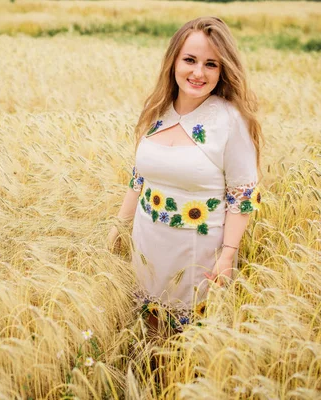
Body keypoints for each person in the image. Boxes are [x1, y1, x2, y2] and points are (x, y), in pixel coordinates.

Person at [108, 16, 263, 335]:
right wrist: (118, 228)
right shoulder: (159, 111)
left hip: (197, 254)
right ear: (174, 61)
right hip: (146, 245)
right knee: (147, 333)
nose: (198, 72)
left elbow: (241, 196)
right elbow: (139, 178)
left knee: (188, 342)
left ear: (222, 71)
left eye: (211, 64)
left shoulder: (229, 120)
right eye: (190, 60)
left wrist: (228, 256)